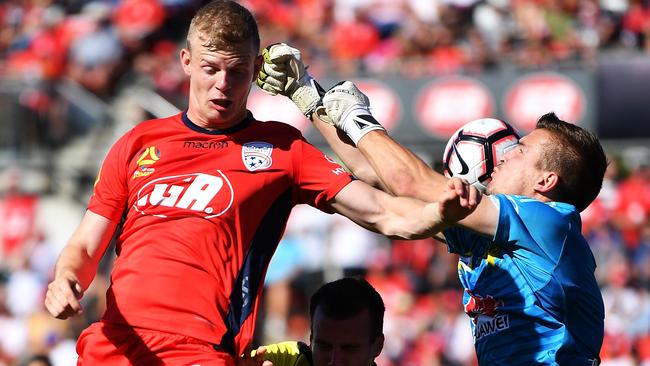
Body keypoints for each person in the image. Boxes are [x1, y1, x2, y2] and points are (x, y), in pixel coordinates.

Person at [43, 2, 480, 365]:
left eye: (236, 72)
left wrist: (437, 214)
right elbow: (85, 245)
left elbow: (382, 211)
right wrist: (65, 278)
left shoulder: (280, 149)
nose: (223, 84)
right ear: (186, 62)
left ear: (255, 69)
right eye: (211, 68)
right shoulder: (139, 141)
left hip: (201, 351)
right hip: (114, 345)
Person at [258, 43, 607, 365]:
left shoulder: (550, 223)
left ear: (545, 182)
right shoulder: (504, 240)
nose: (506, 154)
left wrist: (357, 118)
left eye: (521, 151)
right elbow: (376, 175)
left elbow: (410, 182)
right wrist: (306, 94)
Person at [243, 277, 385, 366]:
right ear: (311, 339)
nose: (334, 361)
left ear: (378, 346)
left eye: (349, 349)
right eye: (324, 346)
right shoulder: (287, 359)